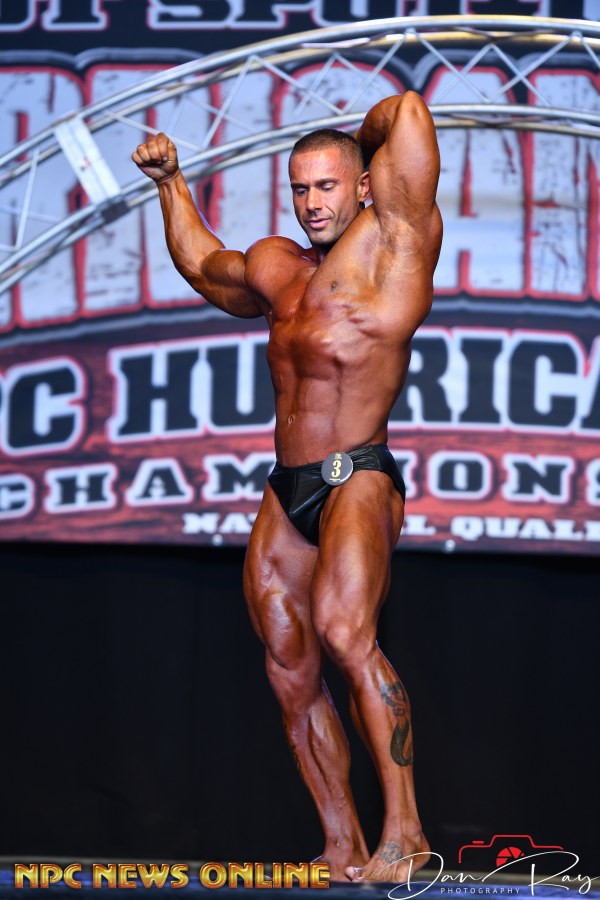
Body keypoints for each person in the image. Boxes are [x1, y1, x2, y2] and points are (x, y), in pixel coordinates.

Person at [132, 91, 442, 883]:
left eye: (327, 185)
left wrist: (363, 142)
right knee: (288, 664)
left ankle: (406, 834)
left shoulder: (395, 242)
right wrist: (171, 184)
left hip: (358, 475)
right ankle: (341, 844)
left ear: (363, 185)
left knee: (344, 631)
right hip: (289, 486)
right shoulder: (277, 267)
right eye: (300, 188)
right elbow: (205, 266)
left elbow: (409, 112)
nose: (312, 203)